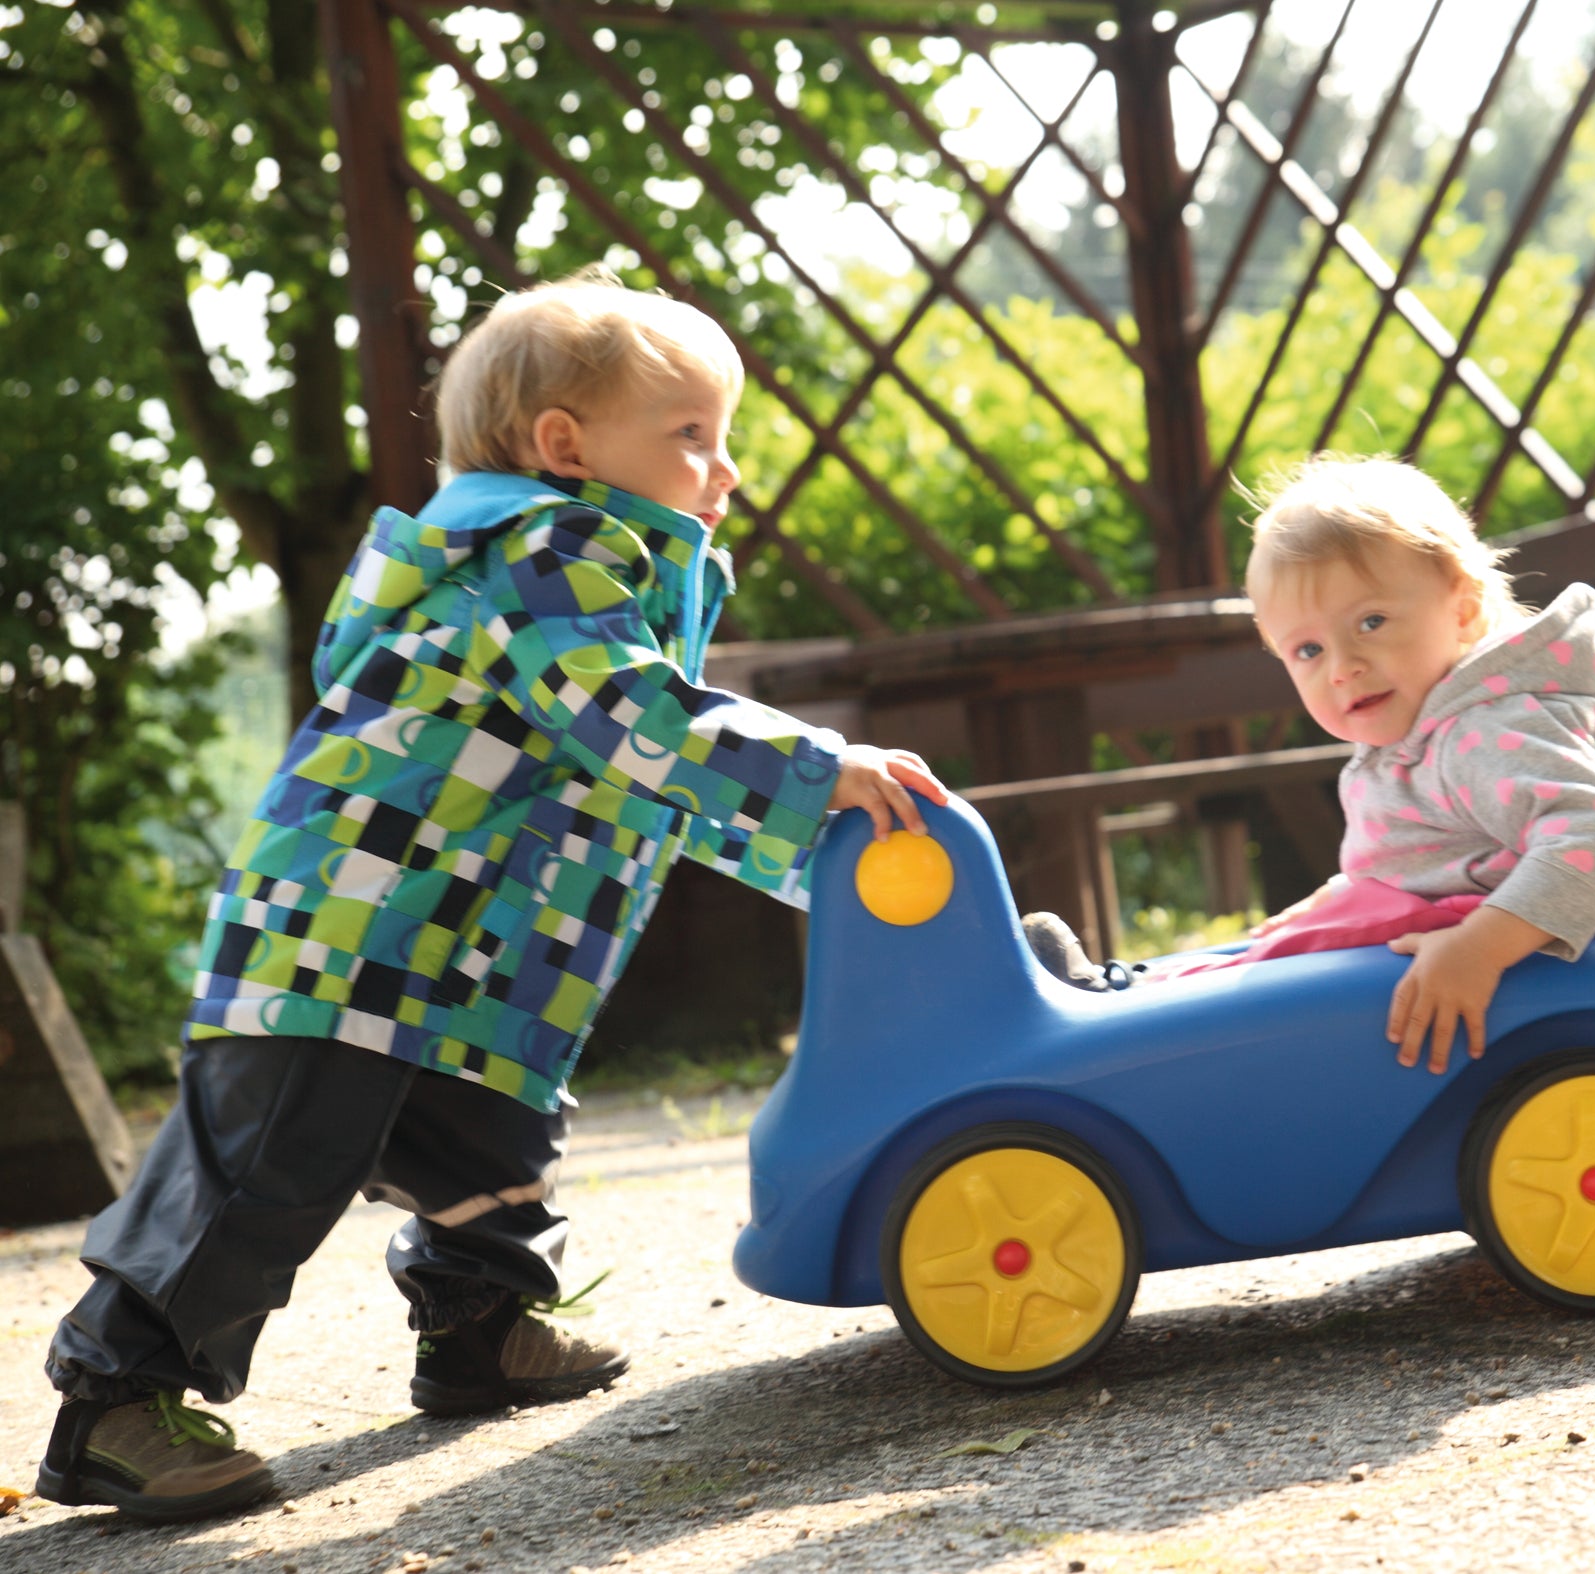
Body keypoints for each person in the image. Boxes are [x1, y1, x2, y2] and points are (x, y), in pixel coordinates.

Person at [37, 268, 947, 1522]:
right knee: (265, 1168)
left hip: (476, 958)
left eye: (723, 438)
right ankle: (117, 1396)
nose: (722, 470)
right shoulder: (544, 551)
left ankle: (480, 1325)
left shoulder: (587, 580)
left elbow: (660, 782)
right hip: (349, 937)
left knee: (494, 1139)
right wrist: (815, 769)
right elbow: (633, 720)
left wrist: (840, 871)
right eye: (691, 435)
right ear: (563, 446)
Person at [1032, 454, 1595, 1074]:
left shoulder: (1486, 730)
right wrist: (1359, 887)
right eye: (1308, 651)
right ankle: (1126, 996)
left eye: (1371, 622)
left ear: (1463, 613)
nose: (1343, 666)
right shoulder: (1437, 722)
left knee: (1295, 970)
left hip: (1535, 938)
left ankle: (1115, 1021)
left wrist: (1477, 951)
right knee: (1293, 943)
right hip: (1480, 913)